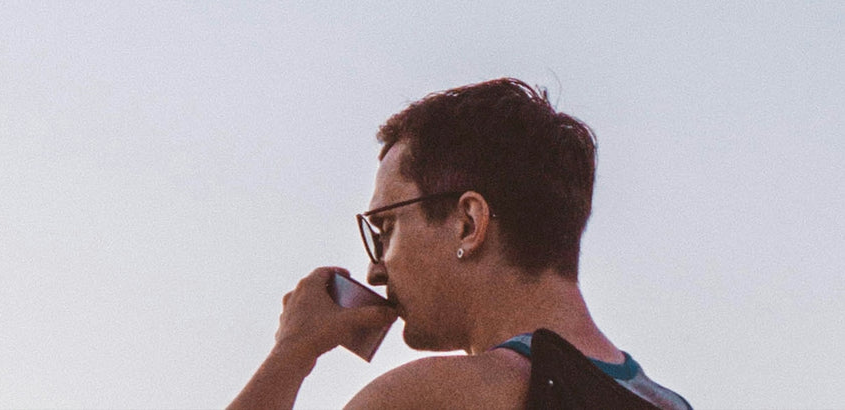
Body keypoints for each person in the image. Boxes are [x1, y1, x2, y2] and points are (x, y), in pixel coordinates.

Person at [225, 79, 693, 410]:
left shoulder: (429, 398)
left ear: (468, 223)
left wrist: (290, 354)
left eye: (385, 229)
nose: (375, 272)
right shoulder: (670, 403)